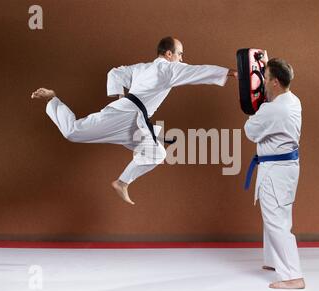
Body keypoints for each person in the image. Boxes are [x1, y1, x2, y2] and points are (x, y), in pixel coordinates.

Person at [32, 37, 237, 205]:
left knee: (157, 153)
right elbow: (197, 71)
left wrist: (118, 96)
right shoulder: (168, 69)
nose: (182, 58)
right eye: (180, 53)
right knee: (73, 132)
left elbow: (115, 73)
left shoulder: (143, 68)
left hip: (134, 120)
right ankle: (52, 98)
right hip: (126, 115)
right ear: (168, 54)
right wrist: (231, 72)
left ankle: (122, 182)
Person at [243, 52, 305, 289]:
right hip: (284, 168)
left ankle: (292, 276)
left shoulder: (273, 110)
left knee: (276, 220)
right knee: (277, 215)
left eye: (265, 77)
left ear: (275, 82)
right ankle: (273, 260)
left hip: (276, 170)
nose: (262, 82)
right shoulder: (292, 99)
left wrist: (255, 106)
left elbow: (250, 131)